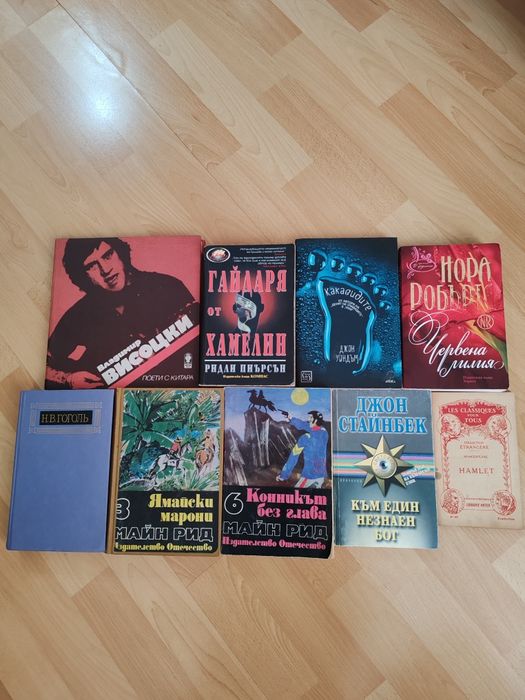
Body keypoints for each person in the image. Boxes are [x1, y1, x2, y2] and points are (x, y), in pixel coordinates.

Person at [46, 237, 196, 388]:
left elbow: (195, 351)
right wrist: (68, 379)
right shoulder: (81, 314)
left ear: (121, 253)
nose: (105, 270)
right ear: (82, 276)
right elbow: (47, 362)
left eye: (107, 255)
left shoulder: (167, 287)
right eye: (92, 266)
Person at [276, 410, 328, 488]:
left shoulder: (305, 438)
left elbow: (293, 457)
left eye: (310, 418)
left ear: (315, 420)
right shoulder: (324, 433)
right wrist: (290, 418)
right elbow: (306, 425)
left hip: (309, 477)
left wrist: (283, 476)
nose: (308, 419)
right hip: (321, 475)